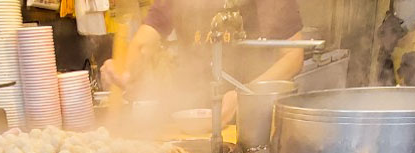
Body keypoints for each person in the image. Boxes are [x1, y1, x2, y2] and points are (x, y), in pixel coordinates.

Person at [100, 0, 306, 122]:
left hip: (252, 119)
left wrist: (245, 95)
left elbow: (293, 56)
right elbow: (145, 41)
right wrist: (124, 71)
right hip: (193, 115)